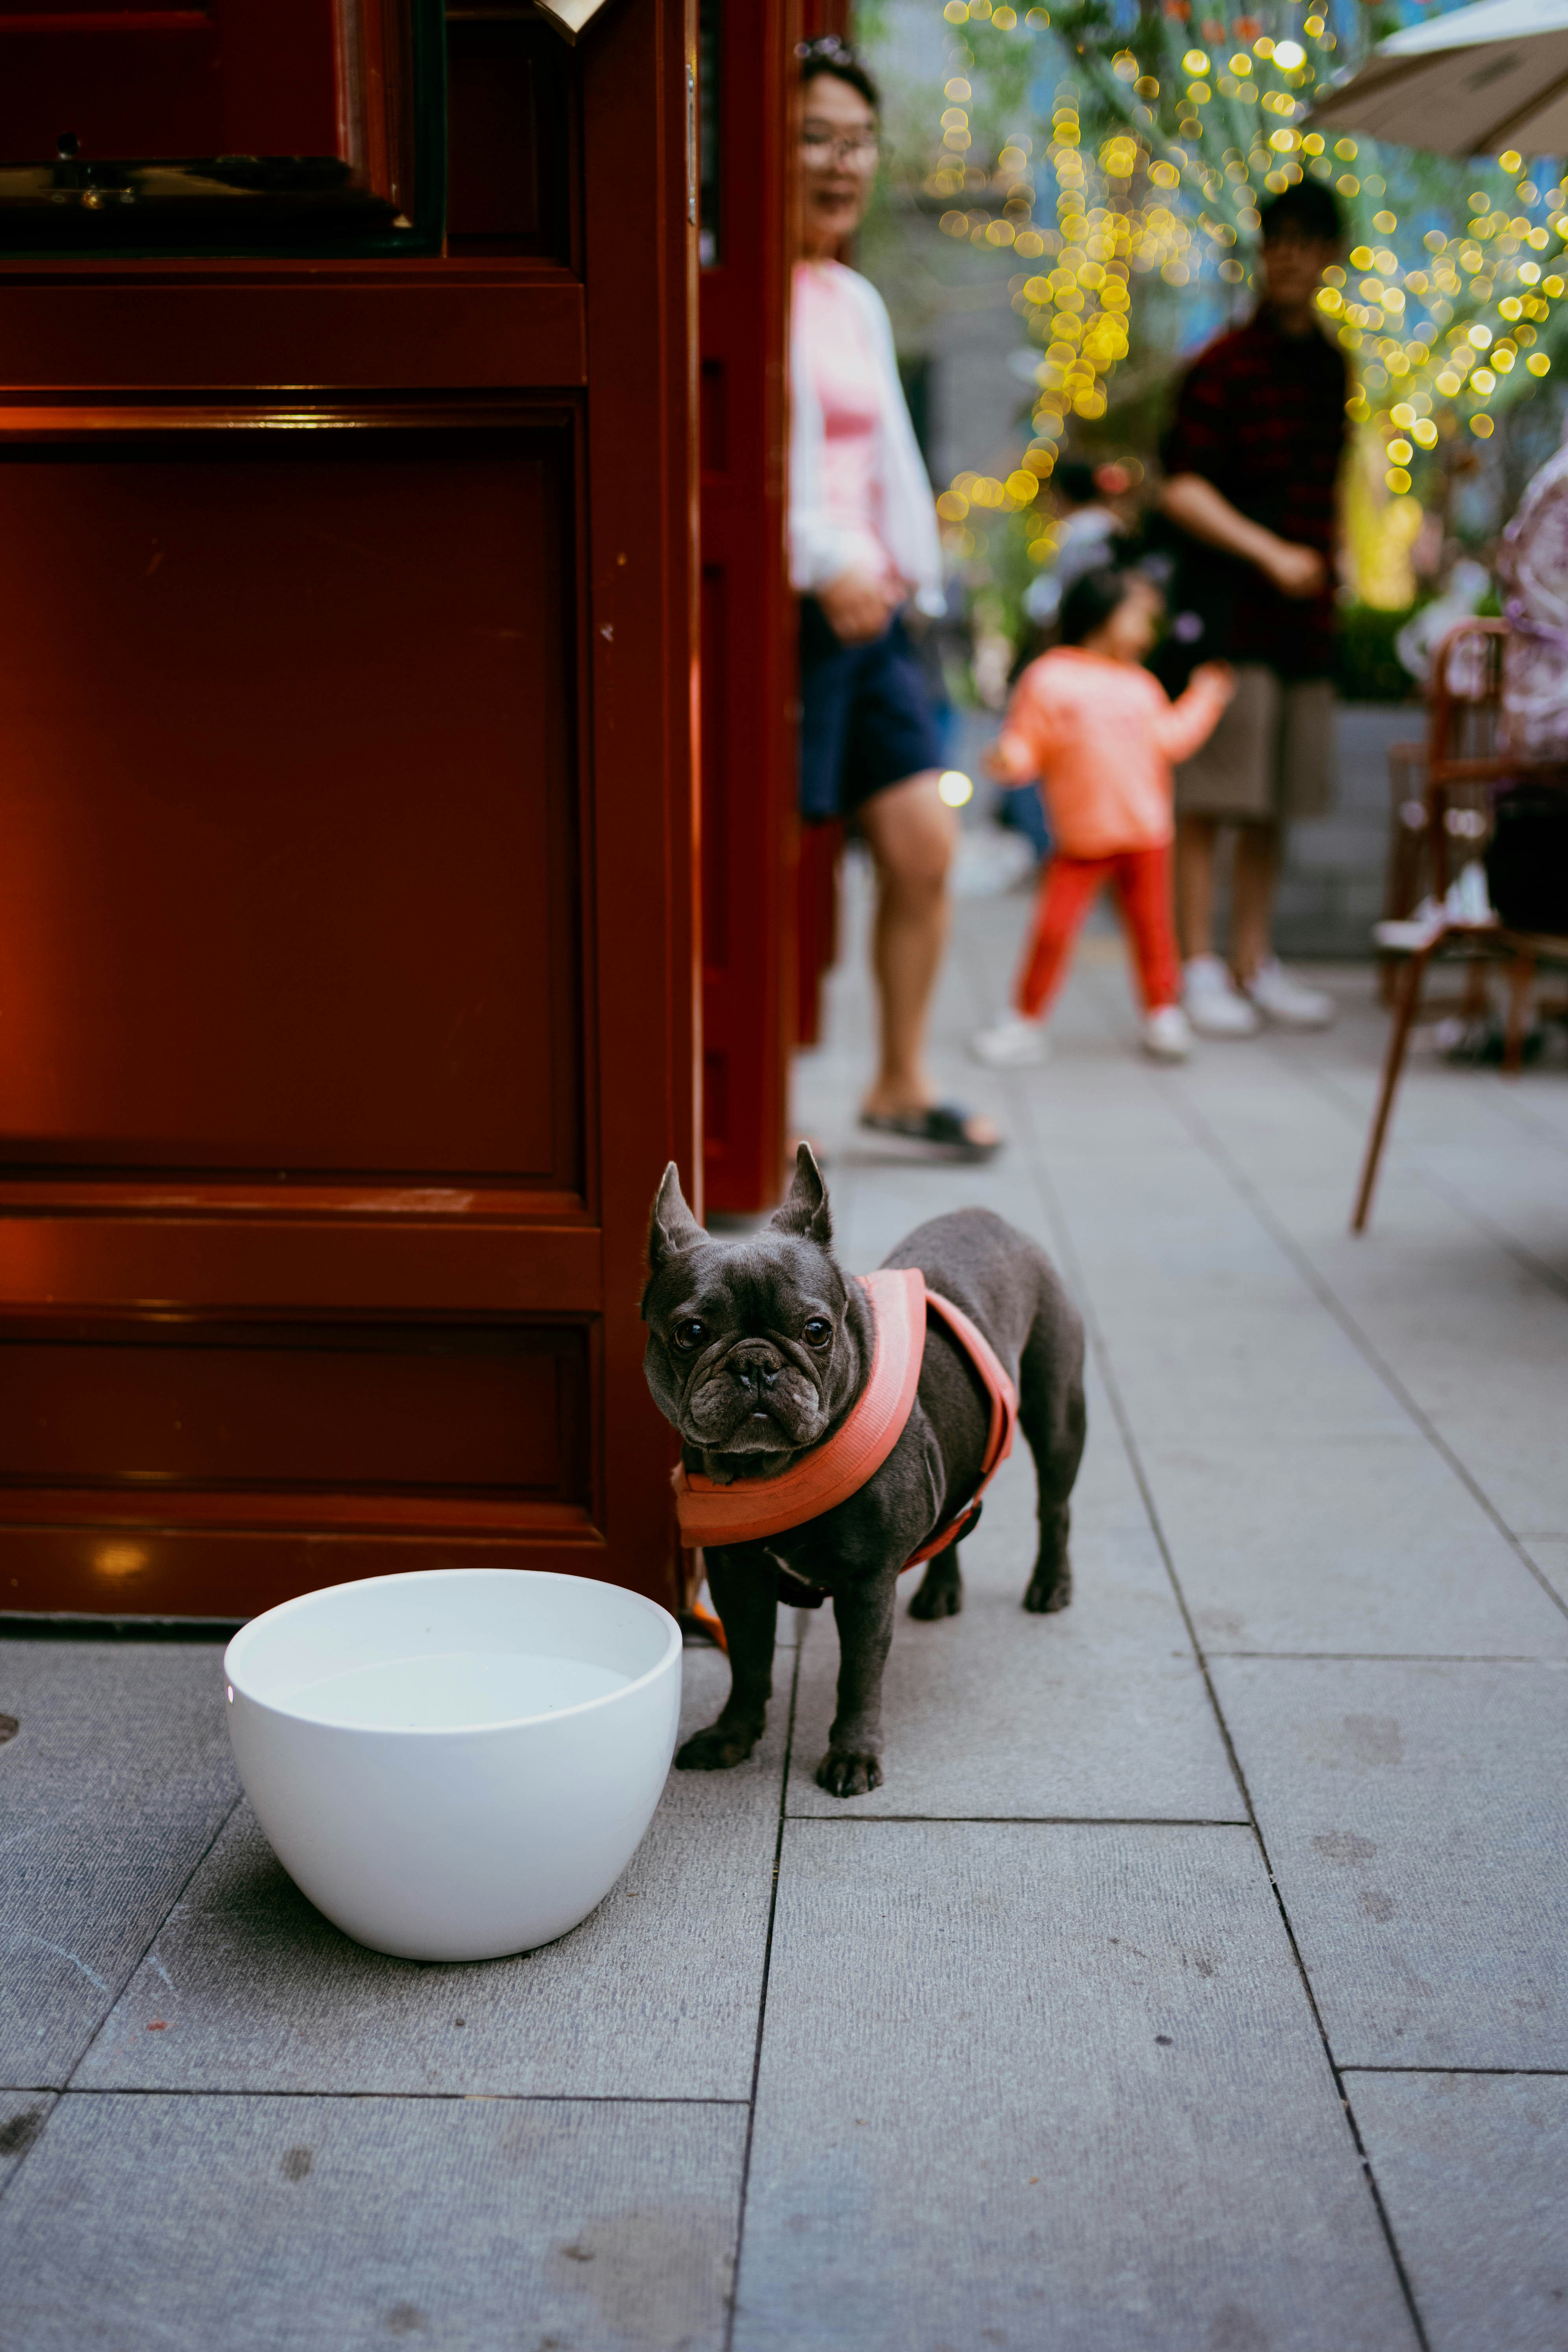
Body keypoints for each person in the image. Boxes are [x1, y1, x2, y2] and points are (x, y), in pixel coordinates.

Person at [790, 37, 998, 1160]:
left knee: (924, 846)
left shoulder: (853, 295)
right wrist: (821, 556)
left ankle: (899, 1078)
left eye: (859, 141)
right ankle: (751, 1113)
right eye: (816, 136)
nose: (841, 163)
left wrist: (910, 573)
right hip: (793, 613)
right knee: (771, 872)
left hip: (883, 623)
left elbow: (893, 466)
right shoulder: (728, 282)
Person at [1156, 179, 1347, 1038]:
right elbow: (1180, 487)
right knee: (1214, 795)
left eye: (1306, 241)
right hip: (1231, 610)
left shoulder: (1335, 365)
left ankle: (1253, 961)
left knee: (1276, 799)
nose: (1289, 255)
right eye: (1277, 239)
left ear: (1330, 255)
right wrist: (1269, 554)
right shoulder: (1222, 362)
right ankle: (1196, 966)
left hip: (1307, 620)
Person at [970, 567, 1233, 1067]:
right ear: (1102, 613)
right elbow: (1028, 742)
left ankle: (1163, 1012)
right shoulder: (1049, 678)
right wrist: (1009, 757)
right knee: (1053, 929)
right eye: (1141, 617)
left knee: (1154, 929)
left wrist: (1206, 697)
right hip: (1080, 836)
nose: (1149, 631)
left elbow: (1172, 740)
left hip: (1145, 832)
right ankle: (1025, 1019)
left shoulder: (1142, 685)